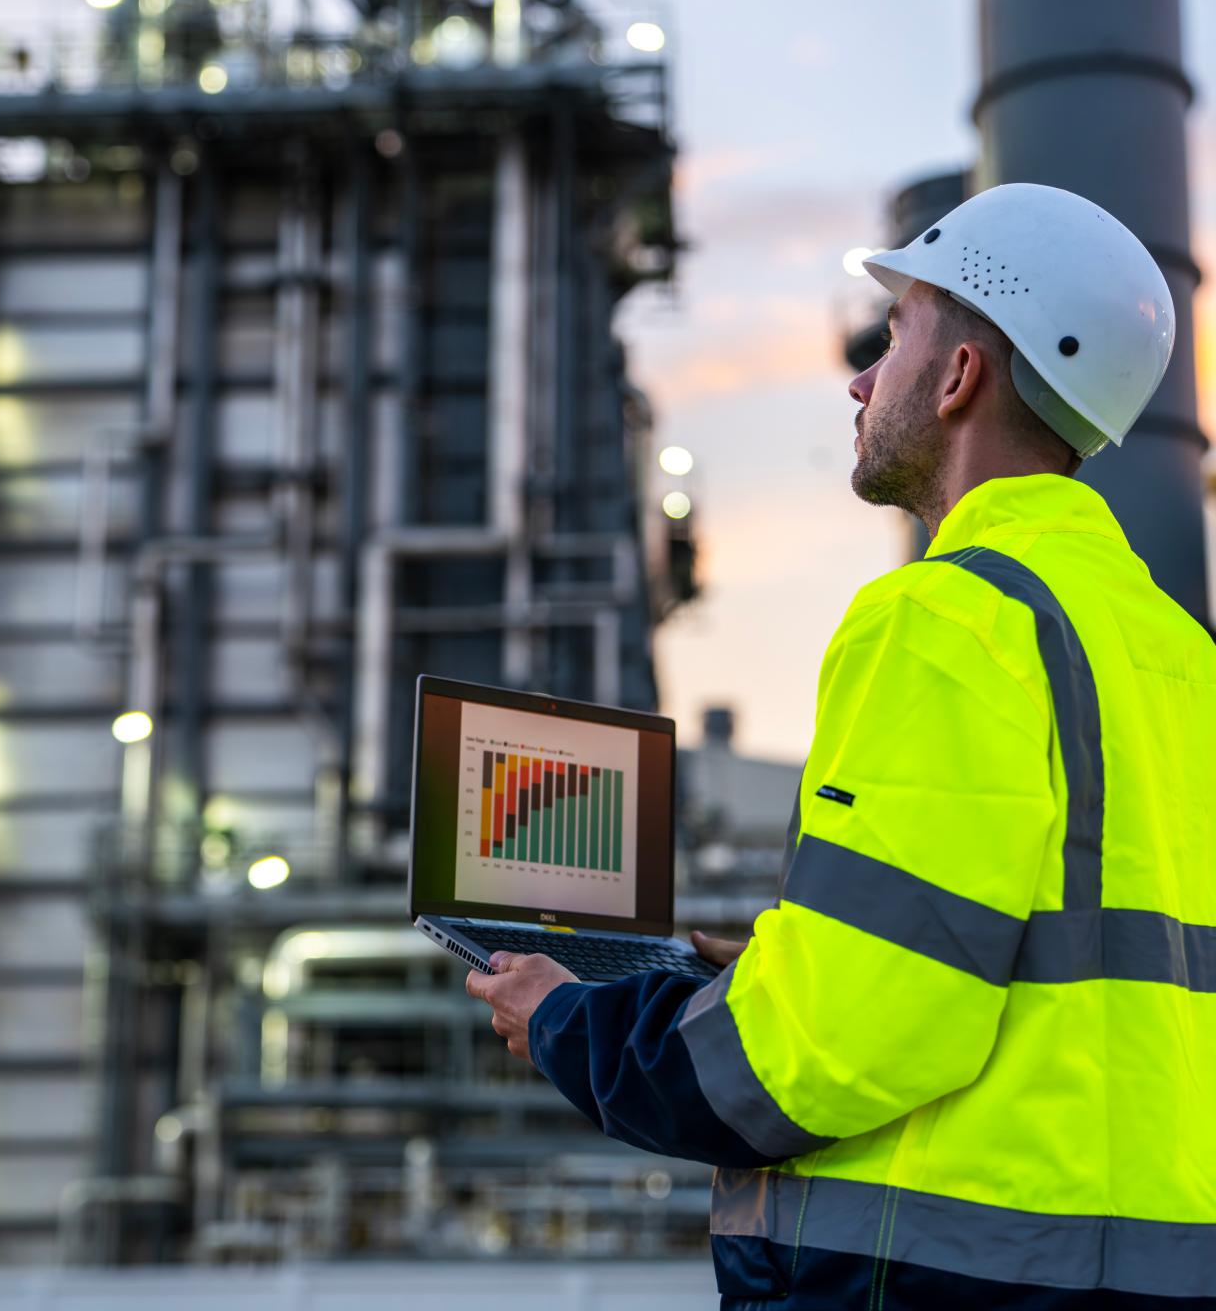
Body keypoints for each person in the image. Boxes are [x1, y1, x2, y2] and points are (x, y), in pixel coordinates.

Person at [467, 183, 1216, 1309]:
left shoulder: (949, 619)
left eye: (897, 334)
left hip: (945, 1284)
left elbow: (830, 1047)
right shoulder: (1175, 650)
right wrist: (792, 958)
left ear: (960, 378)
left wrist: (573, 1019)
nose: (862, 379)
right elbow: (1047, 970)